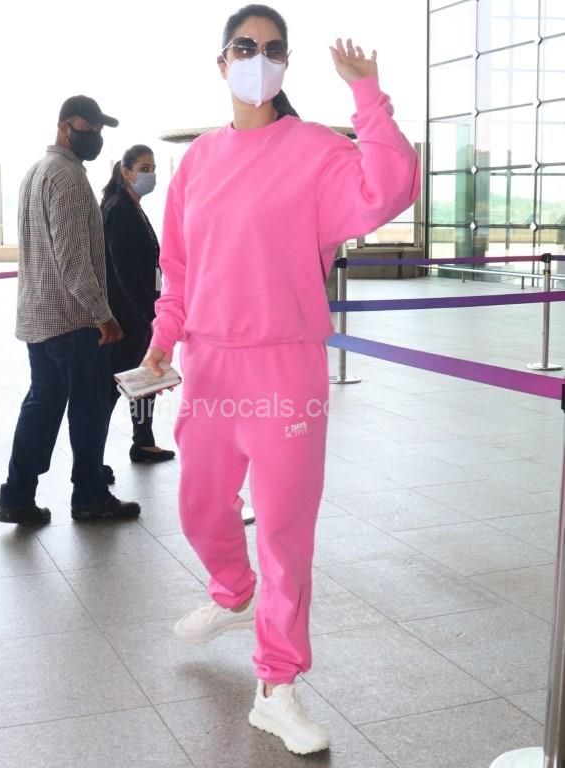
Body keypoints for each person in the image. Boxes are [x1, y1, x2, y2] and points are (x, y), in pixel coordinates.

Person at [142, 4, 420, 756]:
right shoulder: (198, 162)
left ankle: (277, 685)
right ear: (221, 61)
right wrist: (162, 342)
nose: (257, 59)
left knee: (285, 534)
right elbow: (179, 269)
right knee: (201, 508)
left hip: (285, 367)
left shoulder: (315, 150)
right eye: (244, 47)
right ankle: (232, 593)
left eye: (272, 49)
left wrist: (368, 95)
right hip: (209, 368)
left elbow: (389, 189)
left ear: (286, 63)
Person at [0, 95, 141, 526]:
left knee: (41, 405)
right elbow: (74, 258)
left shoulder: (36, 172)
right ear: (65, 127)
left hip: (40, 317)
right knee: (88, 408)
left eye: (99, 129)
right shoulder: (70, 178)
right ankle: (90, 496)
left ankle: (17, 495)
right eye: (88, 127)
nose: (95, 136)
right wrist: (104, 315)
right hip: (74, 321)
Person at [101, 146, 175, 464]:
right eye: (144, 168)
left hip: (140, 309)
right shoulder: (119, 209)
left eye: (153, 168)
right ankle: (92, 459)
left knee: (145, 378)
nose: (151, 175)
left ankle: (143, 441)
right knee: (111, 387)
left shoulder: (132, 207)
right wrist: (148, 314)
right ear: (126, 172)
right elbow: (125, 271)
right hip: (127, 313)